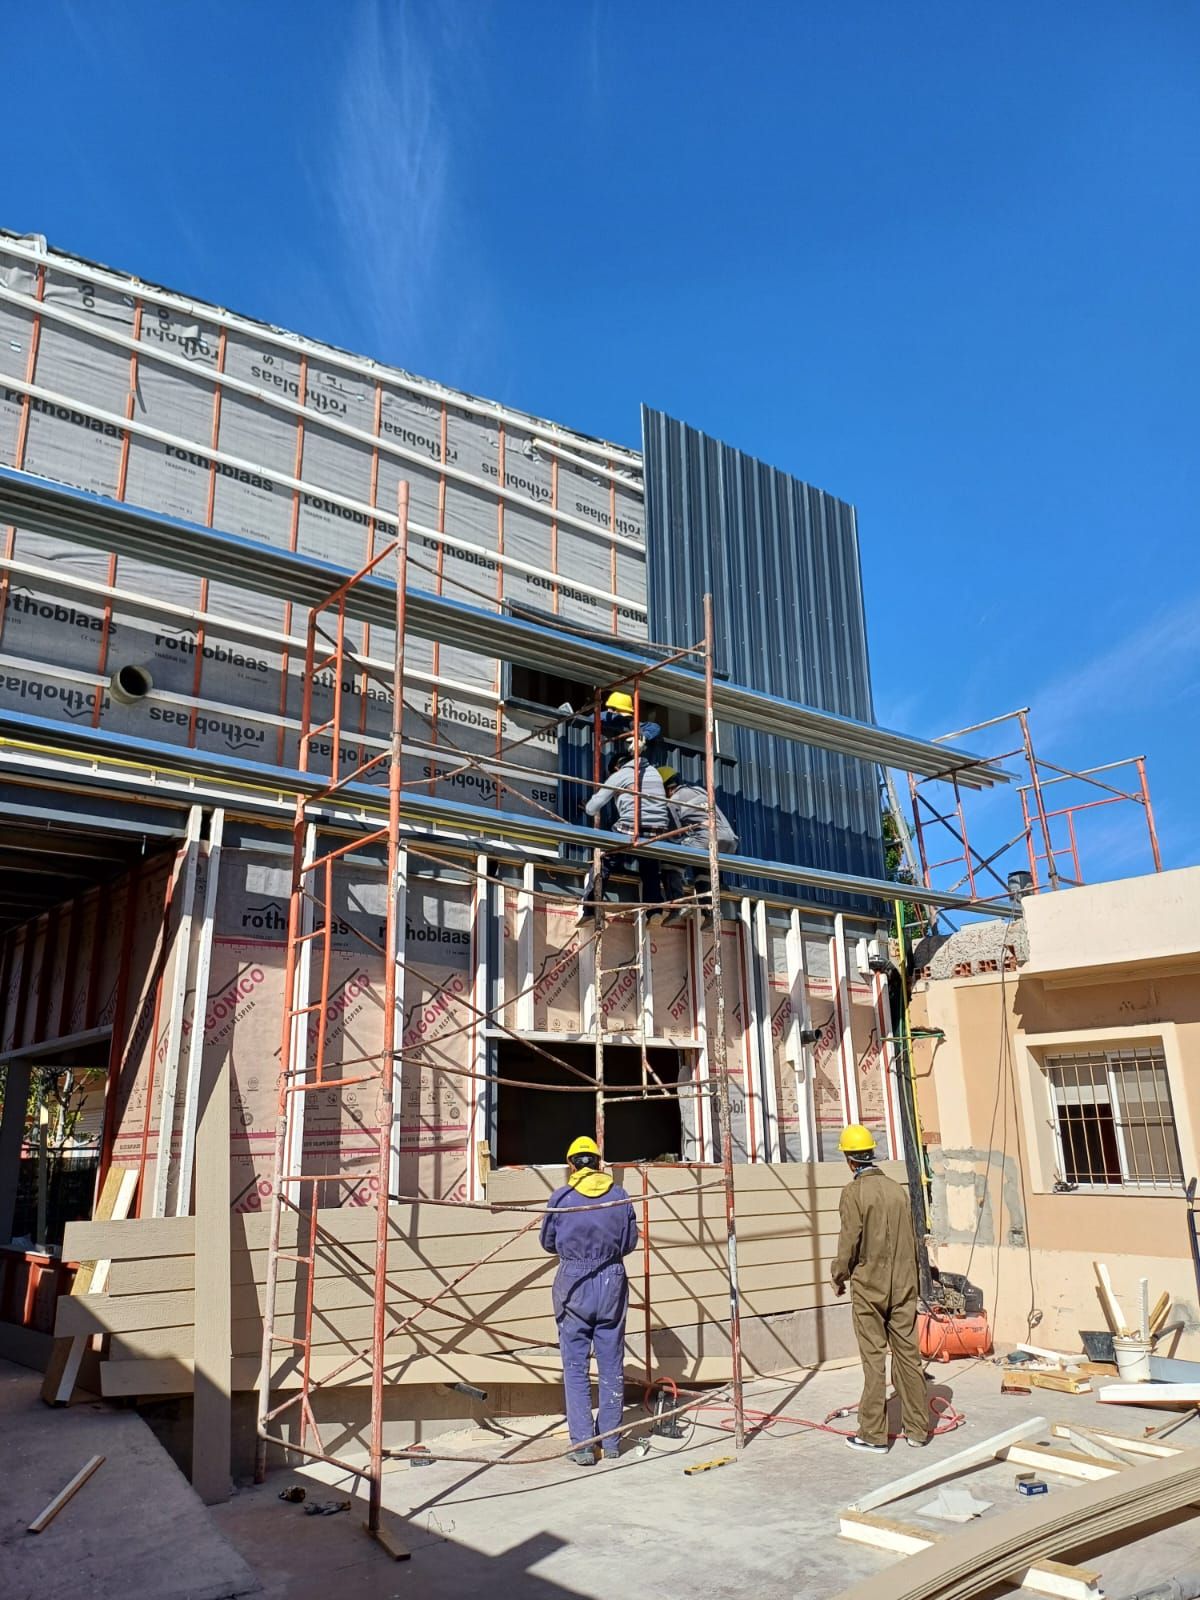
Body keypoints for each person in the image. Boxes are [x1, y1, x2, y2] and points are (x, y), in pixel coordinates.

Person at [830, 1124, 931, 1452]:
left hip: (870, 1286)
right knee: (908, 1356)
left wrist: (838, 1275)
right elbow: (914, 1237)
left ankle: (873, 1434)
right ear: (871, 1154)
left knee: (874, 1359)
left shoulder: (853, 1193)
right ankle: (917, 1430)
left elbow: (849, 1240)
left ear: (849, 1160)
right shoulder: (896, 1190)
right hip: (904, 1284)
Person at [539, 1135, 639, 1465]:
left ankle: (583, 1445)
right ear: (598, 1162)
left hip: (574, 1282)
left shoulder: (562, 1197)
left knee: (575, 1366)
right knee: (611, 1363)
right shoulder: (619, 1195)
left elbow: (548, 1242)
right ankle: (610, 1442)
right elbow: (629, 1242)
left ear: (571, 1166)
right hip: (611, 1280)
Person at [577, 751, 668, 920]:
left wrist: (589, 806)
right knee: (650, 868)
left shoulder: (621, 774)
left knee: (604, 860)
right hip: (658, 830)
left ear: (616, 767)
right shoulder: (654, 772)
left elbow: (592, 808)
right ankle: (655, 911)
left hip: (631, 826)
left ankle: (590, 909)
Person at [657, 766, 738, 927]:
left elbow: (675, 834)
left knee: (670, 857)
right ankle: (711, 912)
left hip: (706, 838)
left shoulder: (673, 801)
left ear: (666, 787)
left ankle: (678, 906)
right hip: (730, 840)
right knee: (702, 868)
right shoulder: (699, 791)